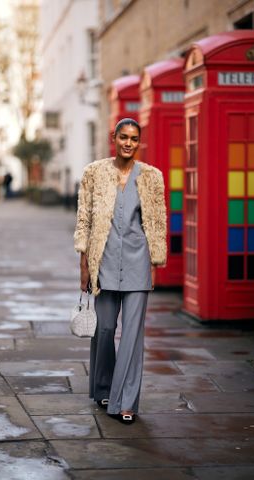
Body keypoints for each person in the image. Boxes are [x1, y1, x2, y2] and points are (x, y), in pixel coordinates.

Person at [74, 118, 167, 424]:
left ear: (139, 142)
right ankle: (103, 386)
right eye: (123, 137)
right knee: (103, 329)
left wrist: (156, 258)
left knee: (132, 335)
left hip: (138, 262)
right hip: (104, 261)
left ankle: (125, 402)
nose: (128, 143)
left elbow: (157, 221)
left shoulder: (152, 177)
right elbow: (84, 219)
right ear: (112, 138)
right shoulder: (94, 173)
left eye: (134, 138)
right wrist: (84, 263)